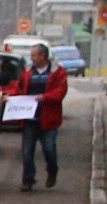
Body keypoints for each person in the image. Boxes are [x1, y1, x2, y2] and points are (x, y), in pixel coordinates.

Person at [4, 41, 69, 190]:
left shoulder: (57, 72)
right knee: (27, 152)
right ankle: (28, 180)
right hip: (30, 119)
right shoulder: (27, 72)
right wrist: (9, 97)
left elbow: (60, 92)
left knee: (49, 149)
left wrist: (44, 97)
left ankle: (52, 171)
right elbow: (19, 89)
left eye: (34, 55)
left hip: (48, 119)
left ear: (43, 56)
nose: (31, 58)